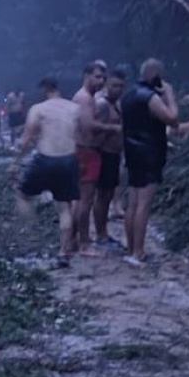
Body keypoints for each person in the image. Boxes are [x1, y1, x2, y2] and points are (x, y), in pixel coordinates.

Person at [8, 78, 81, 264]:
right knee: (64, 207)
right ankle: (64, 251)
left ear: (44, 90)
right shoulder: (74, 108)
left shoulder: (38, 109)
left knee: (23, 196)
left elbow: (26, 139)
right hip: (68, 159)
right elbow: (81, 135)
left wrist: (16, 163)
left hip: (46, 159)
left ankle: (33, 232)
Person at [121, 58, 179, 266]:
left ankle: (131, 248)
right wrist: (170, 94)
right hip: (149, 154)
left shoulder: (128, 96)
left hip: (132, 153)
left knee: (133, 203)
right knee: (143, 205)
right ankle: (138, 252)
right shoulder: (150, 97)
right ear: (156, 76)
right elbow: (173, 119)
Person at [71, 62, 118, 255]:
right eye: (97, 77)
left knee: (81, 200)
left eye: (103, 78)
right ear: (87, 76)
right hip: (86, 152)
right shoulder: (84, 98)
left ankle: (72, 240)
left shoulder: (89, 97)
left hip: (87, 151)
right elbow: (89, 125)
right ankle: (84, 243)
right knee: (85, 201)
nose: (101, 81)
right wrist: (114, 128)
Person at [93, 69, 127, 250]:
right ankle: (100, 234)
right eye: (114, 85)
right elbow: (95, 130)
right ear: (107, 85)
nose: (117, 89)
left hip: (114, 155)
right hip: (104, 154)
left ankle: (104, 233)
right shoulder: (102, 105)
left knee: (108, 196)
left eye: (121, 86)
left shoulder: (117, 105)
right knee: (102, 195)